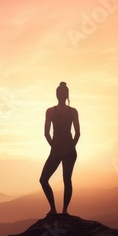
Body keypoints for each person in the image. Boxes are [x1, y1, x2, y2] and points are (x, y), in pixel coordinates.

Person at [39, 81, 80, 215]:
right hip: (69, 151)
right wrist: (70, 148)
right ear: (67, 94)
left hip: (57, 150)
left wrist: (55, 147)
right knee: (67, 180)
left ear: (57, 95)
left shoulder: (50, 111)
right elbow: (77, 133)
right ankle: (64, 211)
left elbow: (46, 133)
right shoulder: (73, 112)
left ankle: (54, 209)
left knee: (44, 179)